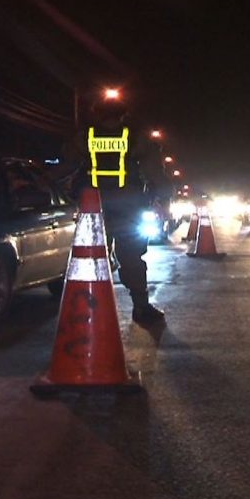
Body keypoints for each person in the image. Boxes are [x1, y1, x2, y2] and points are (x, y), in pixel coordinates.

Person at [69, 90, 171, 328]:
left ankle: (87, 311)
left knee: (90, 260)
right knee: (132, 257)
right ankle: (141, 307)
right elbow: (155, 172)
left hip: (94, 209)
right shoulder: (134, 137)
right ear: (124, 114)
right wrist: (164, 200)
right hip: (128, 208)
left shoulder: (85, 137)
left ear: (96, 114)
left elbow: (67, 164)